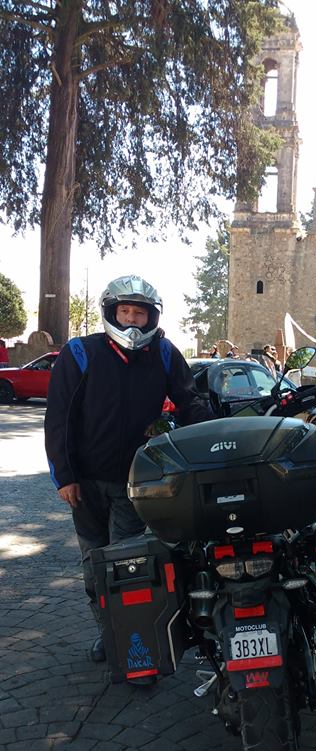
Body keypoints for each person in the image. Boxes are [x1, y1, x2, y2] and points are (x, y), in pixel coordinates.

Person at [44, 275, 213, 665]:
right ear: (112, 313)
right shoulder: (80, 353)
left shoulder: (166, 354)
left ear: (151, 316)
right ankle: (108, 632)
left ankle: (133, 640)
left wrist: (218, 438)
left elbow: (190, 404)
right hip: (84, 484)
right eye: (126, 311)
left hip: (136, 483)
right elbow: (59, 420)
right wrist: (65, 476)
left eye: (140, 313)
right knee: (94, 566)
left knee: (129, 565)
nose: (133, 320)